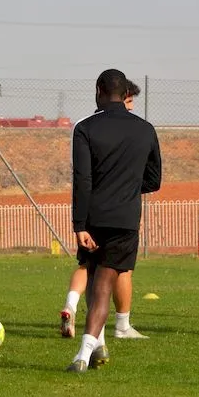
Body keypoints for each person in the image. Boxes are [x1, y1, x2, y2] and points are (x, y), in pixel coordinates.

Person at [66, 69, 161, 373]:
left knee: (99, 284)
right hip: (126, 218)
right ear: (126, 94)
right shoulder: (146, 129)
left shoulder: (85, 128)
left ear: (99, 90)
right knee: (100, 282)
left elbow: (82, 180)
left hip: (95, 217)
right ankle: (96, 347)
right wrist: (126, 189)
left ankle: (83, 354)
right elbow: (154, 180)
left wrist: (79, 224)